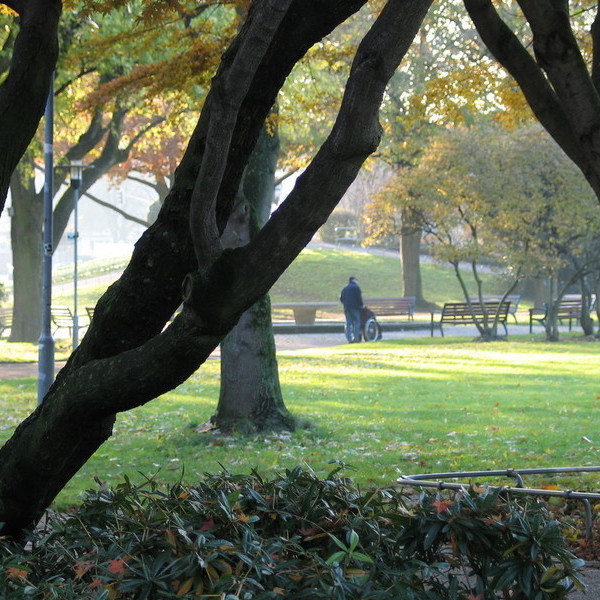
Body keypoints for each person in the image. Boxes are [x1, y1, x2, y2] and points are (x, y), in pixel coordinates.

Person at [340, 276, 363, 343]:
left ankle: (349, 338)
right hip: (355, 307)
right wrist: (361, 305)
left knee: (348, 322)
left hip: (347, 308)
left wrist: (346, 303)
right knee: (356, 322)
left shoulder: (345, 288)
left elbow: (341, 299)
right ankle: (356, 338)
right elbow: (359, 298)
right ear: (354, 280)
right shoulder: (356, 288)